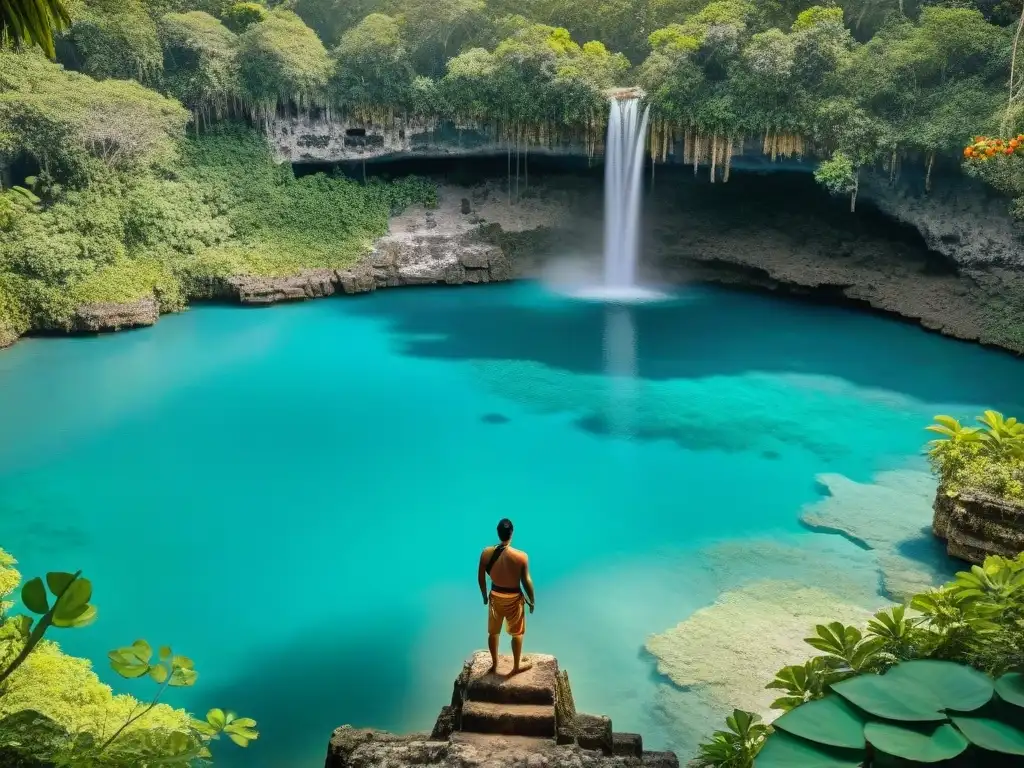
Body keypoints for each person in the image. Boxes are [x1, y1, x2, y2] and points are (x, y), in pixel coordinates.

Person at [478, 518, 535, 676]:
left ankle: (494, 664)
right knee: (517, 633)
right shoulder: (521, 556)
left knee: (493, 632)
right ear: (512, 533)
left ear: (498, 533)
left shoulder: (486, 553)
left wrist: (484, 596)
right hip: (514, 598)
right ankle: (516, 666)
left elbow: (481, 577)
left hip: (495, 596)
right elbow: (526, 580)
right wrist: (532, 600)